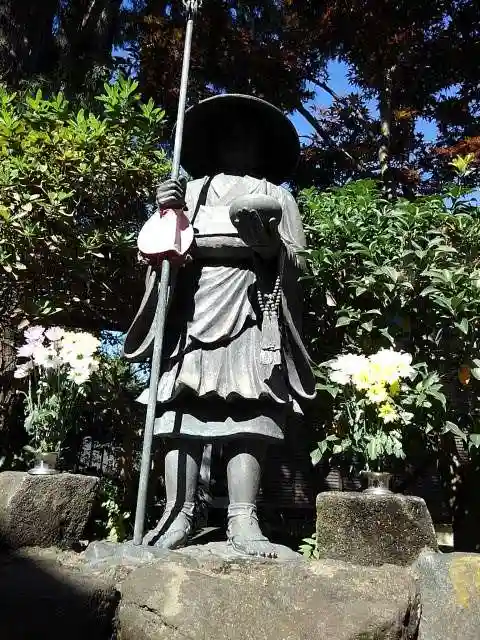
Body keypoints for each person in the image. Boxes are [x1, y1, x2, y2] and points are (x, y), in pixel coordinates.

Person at [124, 94, 315, 558]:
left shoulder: (278, 196)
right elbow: (154, 251)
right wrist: (166, 214)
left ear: (262, 144)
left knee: (250, 411)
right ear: (213, 141)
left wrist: (268, 247)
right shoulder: (188, 192)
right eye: (229, 132)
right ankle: (178, 513)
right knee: (180, 410)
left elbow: (300, 265)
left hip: (252, 307)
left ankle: (243, 517)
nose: (238, 140)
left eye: (248, 134)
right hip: (191, 307)